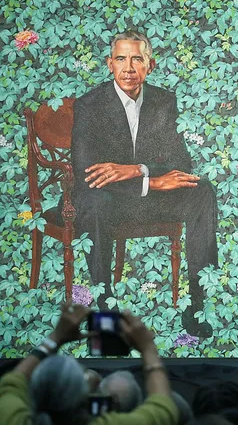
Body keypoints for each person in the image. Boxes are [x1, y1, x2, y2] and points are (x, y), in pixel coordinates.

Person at [71, 29, 218, 337]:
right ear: (109, 64)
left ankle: (197, 305)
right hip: (105, 198)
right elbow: (89, 173)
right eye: (121, 59)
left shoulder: (164, 101)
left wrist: (137, 170)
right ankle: (105, 317)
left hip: (144, 197)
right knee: (96, 204)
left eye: (137, 59)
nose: (129, 68)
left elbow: (180, 163)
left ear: (150, 66)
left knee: (202, 191)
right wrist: (152, 183)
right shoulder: (89, 105)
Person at [0, 302, 178, 425]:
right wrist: (147, 348)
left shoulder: (10, 418)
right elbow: (164, 408)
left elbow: (12, 382)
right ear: (85, 399)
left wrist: (56, 337)